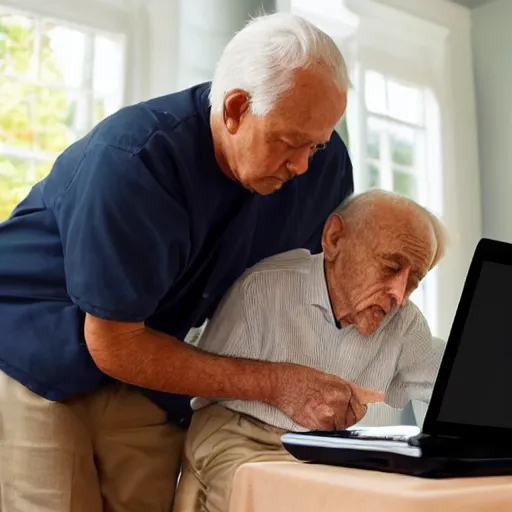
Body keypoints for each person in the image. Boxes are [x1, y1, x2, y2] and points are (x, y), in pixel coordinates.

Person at [0, 12, 358, 512]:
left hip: (153, 360)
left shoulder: (323, 167)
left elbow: (299, 293)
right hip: (37, 350)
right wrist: (276, 383)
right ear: (235, 109)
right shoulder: (133, 159)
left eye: (316, 144)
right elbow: (114, 343)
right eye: (289, 141)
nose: (302, 165)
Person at [173, 190, 448, 512]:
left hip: (323, 448)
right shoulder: (265, 286)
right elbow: (202, 381)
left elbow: (451, 384)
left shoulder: (404, 321)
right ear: (334, 240)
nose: (400, 295)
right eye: (390, 268)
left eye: (415, 280)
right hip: (238, 430)